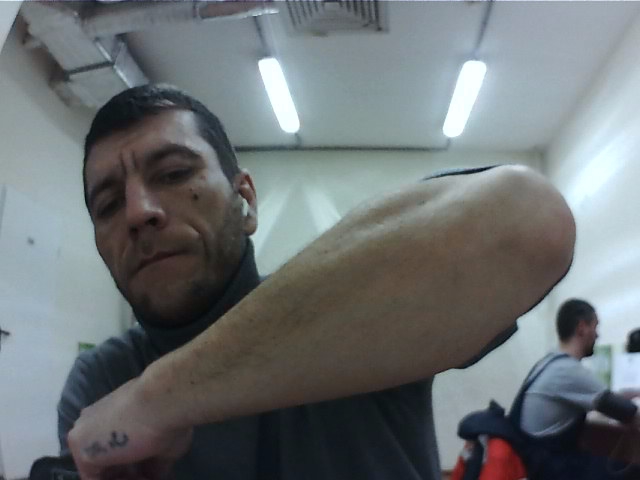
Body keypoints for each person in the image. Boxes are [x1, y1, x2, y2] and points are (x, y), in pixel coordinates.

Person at [59, 83, 576, 480]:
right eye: (107, 204)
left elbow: (530, 219)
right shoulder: (100, 383)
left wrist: (157, 399)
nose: (138, 212)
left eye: (173, 173)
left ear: (246, 202)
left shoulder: (353, 309)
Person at [514, 299, 640, 480]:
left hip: (536, 461)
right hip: (553, 469)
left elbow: (604, 399)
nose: (597, 335)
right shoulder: (568, 370)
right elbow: (628, 412)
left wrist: (631, 393)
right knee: (633, 472)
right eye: (595, 327)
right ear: (582, 328)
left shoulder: (548, 362)